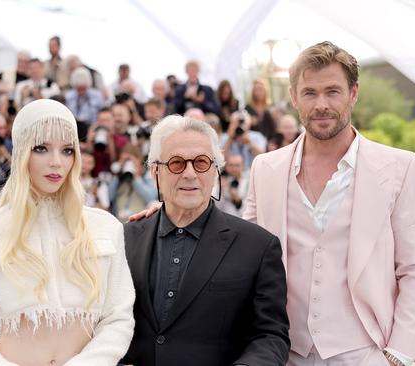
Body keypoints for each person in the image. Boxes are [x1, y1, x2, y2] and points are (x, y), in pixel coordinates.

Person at [244, 41, 415, 365]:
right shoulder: (266, 168)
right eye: (310, 93)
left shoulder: (398, 167)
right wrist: (174, 216)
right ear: (293, 97)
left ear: (353, 93)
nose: (321, 105)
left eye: (332, 91)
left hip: (365, 352)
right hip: (285, 352)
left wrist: (399, 353)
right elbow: (239, 253)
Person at [0, 99, 135, 365]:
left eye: (68, 150)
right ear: (22, 152)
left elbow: (118, 318)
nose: (57, 162)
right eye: (41, 148)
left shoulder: (106, 227)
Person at [122, 115, 289, 366]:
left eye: (201, 163)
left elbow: (270, 335)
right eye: (177, 163)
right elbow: (101, 324)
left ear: (214, 171)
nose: (190, 174)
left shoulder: (257, 247)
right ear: (156, 171)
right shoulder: (124, 240)